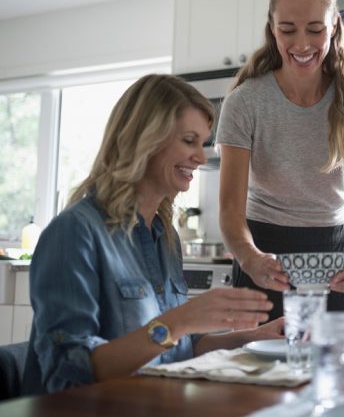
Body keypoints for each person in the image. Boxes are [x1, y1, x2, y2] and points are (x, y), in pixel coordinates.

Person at [22, 75, 283, 395]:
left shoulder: (165, 237)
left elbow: (175, 349)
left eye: (202, 143)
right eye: (189, 141)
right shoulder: (75, 233)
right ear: (144, 139)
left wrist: (249, 338)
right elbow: (71, 373)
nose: (201, 158)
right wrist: (179, 321)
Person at [217, 0, 344, 321]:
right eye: (288, 30)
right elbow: (229, 209)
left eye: (315, 29)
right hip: (262, 250)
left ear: (334, 26)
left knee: (328, 364)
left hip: (334, 253)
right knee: (257, 369)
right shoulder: (245, 101)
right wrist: (248, 256)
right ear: (272, 29)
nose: (301, 44)